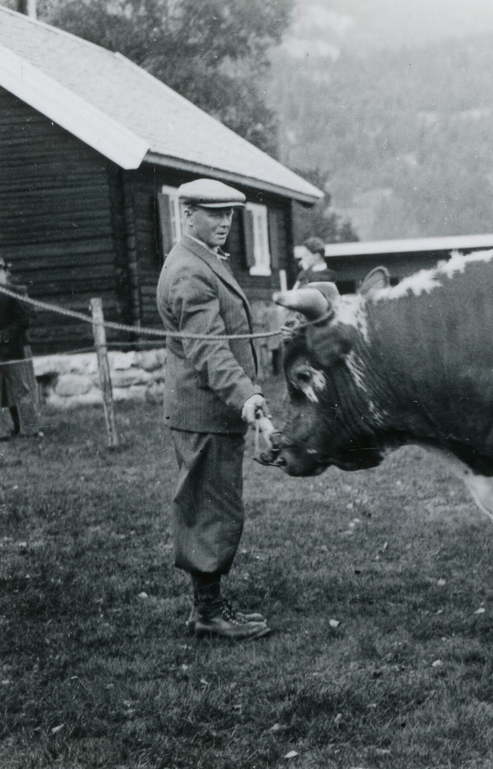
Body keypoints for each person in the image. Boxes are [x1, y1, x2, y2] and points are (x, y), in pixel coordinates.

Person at [155, 178, 273, 641]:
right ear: (188, 215)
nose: (224, 222)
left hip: (207, 412)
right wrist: (246, 397)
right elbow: (209, 353)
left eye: (229, 214)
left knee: (213, 506)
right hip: (206, 412)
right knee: (211, 510)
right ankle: (209, 613)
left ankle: (208, 605)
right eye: (213, 213)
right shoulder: (190, 272)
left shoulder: (200, 259)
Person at [0, 257, 38, 439]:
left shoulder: (14, 293)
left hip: (12, 350)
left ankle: (29, 430)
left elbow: (23, 321)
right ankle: (3, 432)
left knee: (22, 390)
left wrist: (3, 337)